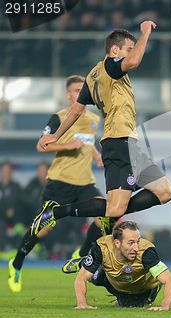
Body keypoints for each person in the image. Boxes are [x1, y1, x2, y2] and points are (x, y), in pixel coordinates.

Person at [33, 22, 171, 238]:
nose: (131, 53)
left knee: (165, 192)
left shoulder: (92, 75)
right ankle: (58, 212)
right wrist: (145, 32)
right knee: (115, 208)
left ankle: (109, 211)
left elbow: (76, 111)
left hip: (127, 144)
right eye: (128, 48)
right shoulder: (111, 66)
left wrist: (55, 135)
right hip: (119, 143)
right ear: (115, 50)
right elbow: (135, 61)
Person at [8, 75, 105, 293]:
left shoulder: (93, 119)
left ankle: (80, 254)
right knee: (43, 227)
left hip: (85, 183)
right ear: (68, 94)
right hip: (59, 183)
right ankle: (16, 263)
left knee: (105, 216)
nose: (81, 93)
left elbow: (88, 143)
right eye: (77, 89)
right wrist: (68, 145)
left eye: (83, 89)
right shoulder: (59, 117)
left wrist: (96, 156)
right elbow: (41, 146)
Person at [74, 220, 171, 310]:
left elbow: (170, 281)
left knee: (132, 305)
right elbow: (81, 277)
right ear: (117, 243)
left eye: (138, 242)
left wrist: (164, 306)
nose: (136, 248)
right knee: (93, 276)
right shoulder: (102, 247)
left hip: (140, 287)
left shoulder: (146, 252)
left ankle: (88, 262)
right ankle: (85, 263)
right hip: (112, 282)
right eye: (131, 243)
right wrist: (82, 304)